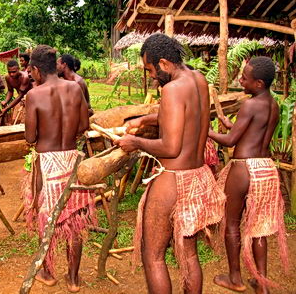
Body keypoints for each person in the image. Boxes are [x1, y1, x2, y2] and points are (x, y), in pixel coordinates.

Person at [114, 33, 225, 293]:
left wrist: (136, 143)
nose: (151, 76)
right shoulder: (197, 79)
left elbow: (171, 147)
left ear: (164, 63)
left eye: (150, 70)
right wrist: (144, 120)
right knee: (188, 255)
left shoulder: (173, 88)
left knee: (152, 256)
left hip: (173, 179)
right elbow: (186, 116)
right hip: (197, 175)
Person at [208, 56, 288, 293]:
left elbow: (231, 141)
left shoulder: (250, 104)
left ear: (259, 83)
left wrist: (208, 131)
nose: (240, 80)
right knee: (259, 227)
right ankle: (261, 283)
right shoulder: (273, 104)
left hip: (244, 168)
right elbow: (252, 131)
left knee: (232, 223)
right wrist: (229, 123)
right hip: (266, 169)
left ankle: (235, 279)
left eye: (245, 78)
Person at [23, 45, 91, 293]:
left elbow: (30, 137)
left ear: (37, 70)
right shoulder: (75, 88)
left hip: (48, 163)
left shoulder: (34, 95)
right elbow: (84, 124)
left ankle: (48, 272)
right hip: (73, 160)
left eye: (31, 72)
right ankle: (73, 278)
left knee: (47, 217)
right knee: (75, 219)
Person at [0, 59, 32, 125]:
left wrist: (7, 108)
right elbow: (10, 91)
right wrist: (6, 101)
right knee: (15, 122)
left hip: (29, 102)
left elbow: (20, 95)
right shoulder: (7, 77)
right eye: (9, 72)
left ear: (18, 69)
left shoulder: (25, 77)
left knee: (26, 123)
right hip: (19, 101)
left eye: (14, 72)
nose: (11, 74)